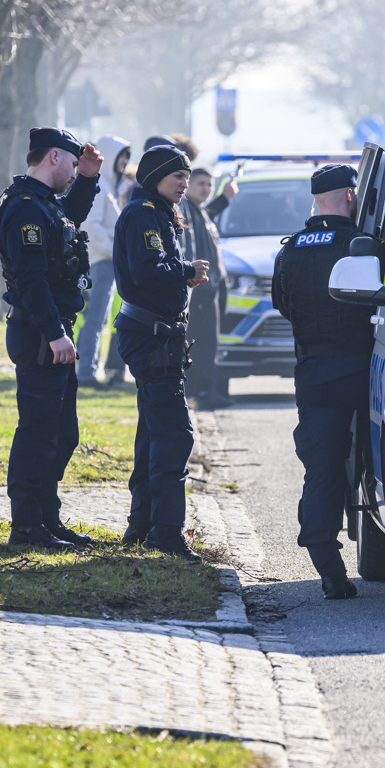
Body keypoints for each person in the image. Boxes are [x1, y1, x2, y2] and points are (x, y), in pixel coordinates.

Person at [0, 127, 103, 550]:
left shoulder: (41, 203)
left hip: (53, 331)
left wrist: (90, 179)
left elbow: (67, 220)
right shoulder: (23, 207)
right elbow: (31, 279)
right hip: (40, 333)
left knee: (62, 431)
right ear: (53, 157)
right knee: (39, 430)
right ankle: (26, 525)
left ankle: (45, 517)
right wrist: (55, 333)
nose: (75, 173)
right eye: (73, 165)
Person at [271, 164, 375, 600]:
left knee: (322, 470)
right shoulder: (362, 246)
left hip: (314, 373)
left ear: (316, 200)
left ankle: (329, 570)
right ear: (350, 196)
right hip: (367, 372)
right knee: (382, 462)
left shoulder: (291, 248)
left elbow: (282, 304)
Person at [113, 144, 209, 559]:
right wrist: (188, 271)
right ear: (155, 178)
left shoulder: (157, 213)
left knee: (153, 432)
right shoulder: (143, 216)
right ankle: (167, 533)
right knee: (174, 434)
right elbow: (149, 272)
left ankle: (142, 525)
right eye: (177, 177)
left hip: (160, 334)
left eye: (187, 177)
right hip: (149, 334)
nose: (184, 184)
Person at [180, 167, 237, 409]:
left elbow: (211, 212)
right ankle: (201, 392)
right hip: (200, 289)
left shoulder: (200, 211)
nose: (205, 189)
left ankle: (206, 390)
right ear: (189, 185)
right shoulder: (186, 211)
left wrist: (224, 198)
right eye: (200, 184)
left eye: (209, 185)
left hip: (211, 289)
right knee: (200, 343)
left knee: (209, 343)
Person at [77, 135, 131, 389]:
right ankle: (86, 370)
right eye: (121, 156)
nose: (124, 162)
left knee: (99, 319)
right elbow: (92, 226)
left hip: (106, 259)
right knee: (96, 319)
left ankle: (88, 368)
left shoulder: (108, 187)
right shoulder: (101, 188)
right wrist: (116, 251)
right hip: (103, 261)